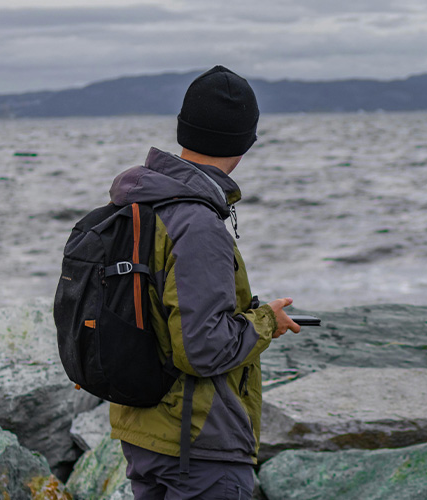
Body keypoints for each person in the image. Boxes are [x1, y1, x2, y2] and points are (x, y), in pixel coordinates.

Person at [107, 65, 300, 498]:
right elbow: (202, 347)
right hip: (198, 446)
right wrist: (266, 320)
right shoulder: (196, 223)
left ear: (184, 129)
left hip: (148, 434)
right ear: (246, 142)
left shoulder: (140, 204)